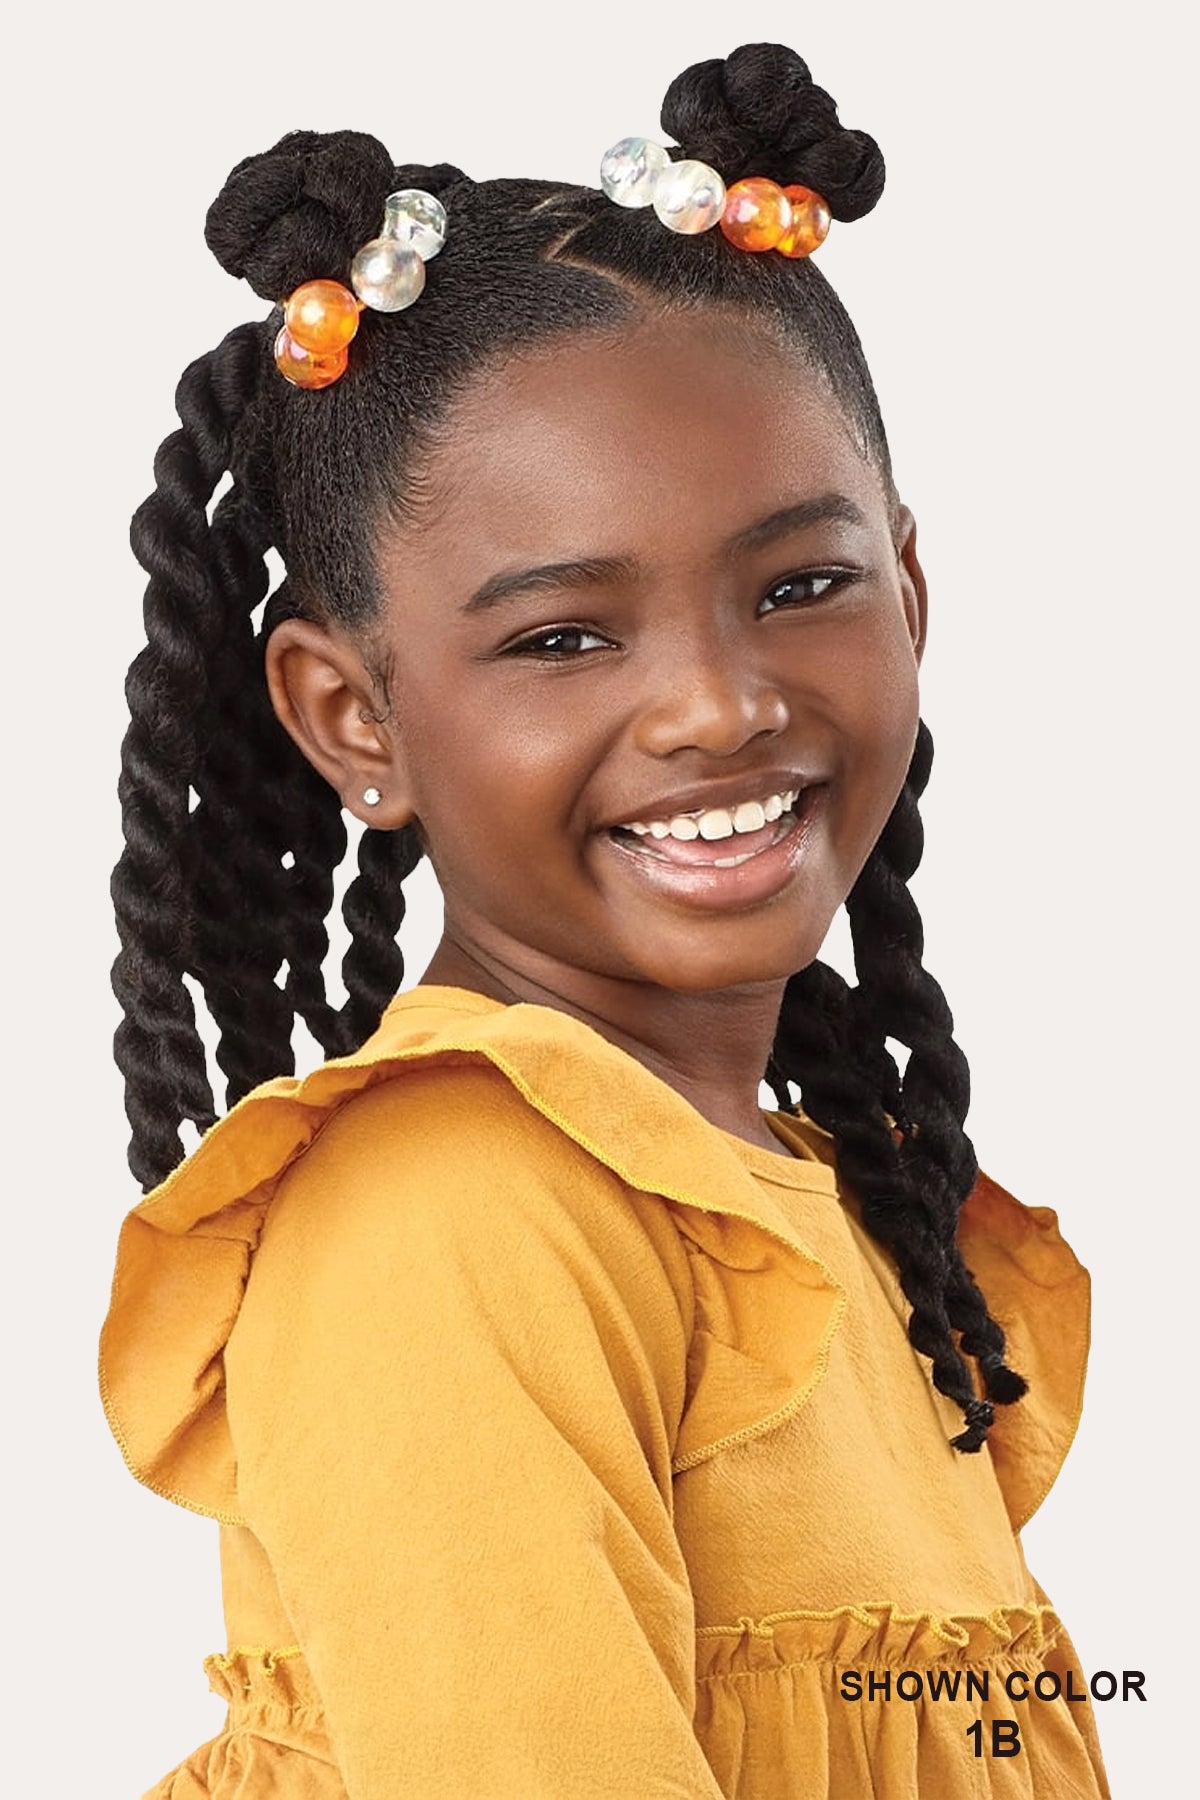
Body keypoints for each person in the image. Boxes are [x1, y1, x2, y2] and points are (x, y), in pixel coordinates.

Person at [97, 40, 1111, 1800]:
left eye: (802, 585)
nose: (720, 707)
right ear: (354, 717)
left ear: (909, 591)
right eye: (563, 636)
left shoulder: (834, 1204)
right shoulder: (453, 1214)